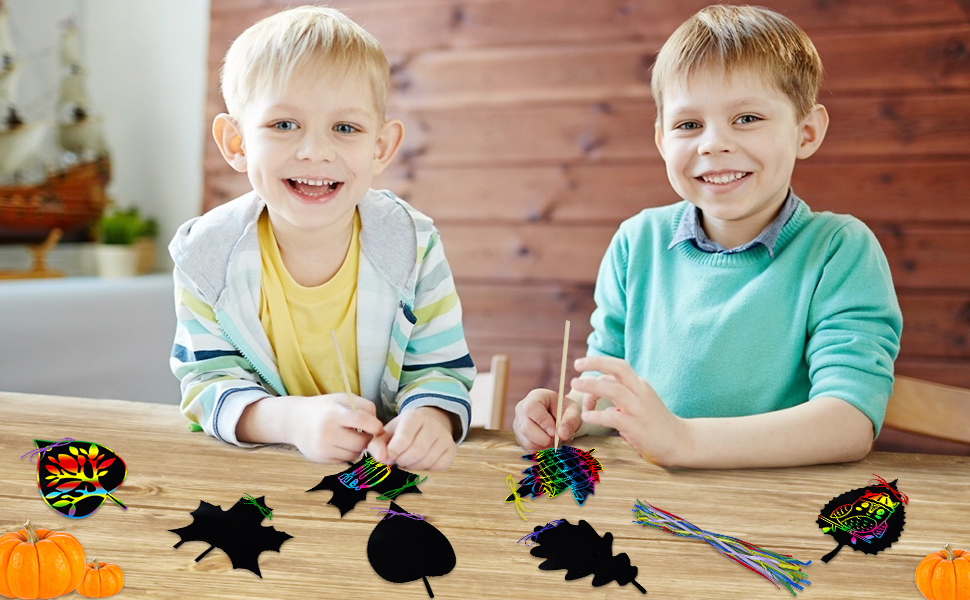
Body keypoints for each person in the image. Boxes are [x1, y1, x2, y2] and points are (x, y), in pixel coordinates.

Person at [513, 5, 902, 469]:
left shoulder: (840, 250)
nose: (713, 143)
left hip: (774, 511)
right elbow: (604, 389)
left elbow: (849, 424)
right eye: (689, 124)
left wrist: (683, 440)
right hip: (650, 501)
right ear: (662, 141)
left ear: (807, 132)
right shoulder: (636, 242)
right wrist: (570, 414)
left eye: (747, 118)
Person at [169, 6, 473, 470]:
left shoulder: (413, 246)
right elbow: (207, 385)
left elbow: (439, 371)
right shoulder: (206, 257)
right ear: (236, 143)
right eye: (283, 125)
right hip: (260, 484)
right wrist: (292, 422)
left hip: (386, 485)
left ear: (381, 148)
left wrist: (431, 416)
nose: (315, 151)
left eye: (345, 128)